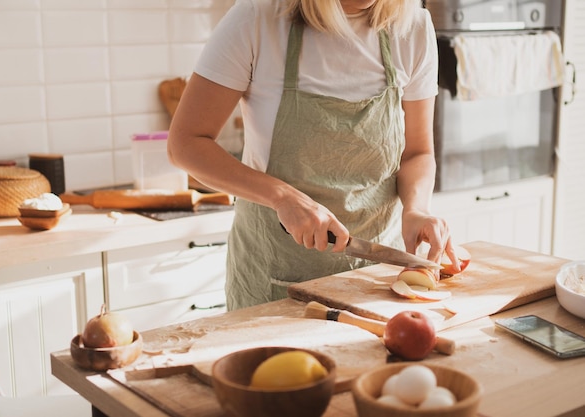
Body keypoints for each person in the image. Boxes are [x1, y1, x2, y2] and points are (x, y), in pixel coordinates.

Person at [168, 0, 460, 310]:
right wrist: (283, 197)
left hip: (378, 278)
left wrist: (416, 209)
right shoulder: (258, 18)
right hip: (276, 281)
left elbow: (418, 152)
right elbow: (186, 144)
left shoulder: (412, 27)